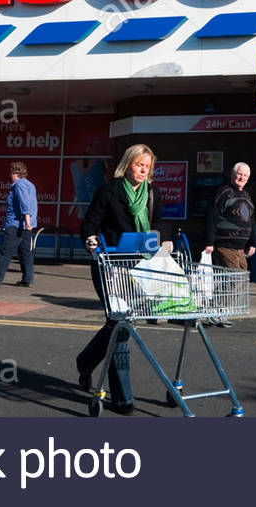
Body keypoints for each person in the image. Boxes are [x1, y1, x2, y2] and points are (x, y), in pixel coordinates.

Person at [76, 143, 161, 414]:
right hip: (109, 266)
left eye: (147, 166)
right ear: (128, 164)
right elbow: (90, 222)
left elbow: (156, 225)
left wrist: (164, 241)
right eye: (139, 164)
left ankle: (85, 361)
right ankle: (122, 398)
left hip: (138, 268)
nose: (143, 169)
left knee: (117, 324)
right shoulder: (109, 191)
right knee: (120, 325)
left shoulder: (151, 194)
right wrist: (89, 239)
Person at [202, 162, 256, 327]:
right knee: (230, 279)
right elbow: (212, 217)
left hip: (240, 248)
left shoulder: (247, 196)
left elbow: (252, 220)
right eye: (239, 174)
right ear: (232, 175)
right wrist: (209, 242)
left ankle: (220, 312)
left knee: (240, 280)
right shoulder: (223, 193)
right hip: (225, 245)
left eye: (245, 176)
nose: (242, 178)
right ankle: (217, 312)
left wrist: (253, 242)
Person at [0, 161, 36, 288]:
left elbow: (25, 204)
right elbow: (31, 203)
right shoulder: (30, 185)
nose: (10, 175)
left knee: (5, 251)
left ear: (15, 172)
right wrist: (29, 223)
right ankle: (27, 279)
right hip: (26, 226)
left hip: (16, 224)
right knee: (24, 252)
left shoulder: (18, 185)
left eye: (11, 172)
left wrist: (27, 221)